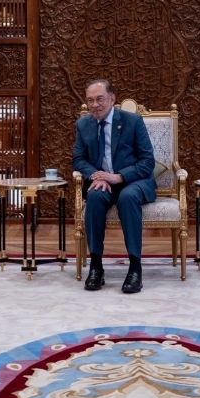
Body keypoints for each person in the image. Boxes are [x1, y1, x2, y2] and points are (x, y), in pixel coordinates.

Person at [72, 79, 155, 294]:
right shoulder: (83, 124)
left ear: (112, 99)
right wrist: (96, 176)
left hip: (133, 181)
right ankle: (96, 266)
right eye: (90, 100)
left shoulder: (132, 121)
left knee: (128, 197)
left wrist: (119, 177)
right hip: (104, 182)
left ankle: (135, 267)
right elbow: (78, 159)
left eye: (100, 99)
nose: (95, 105)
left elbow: (147, 161)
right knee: (94, 196)